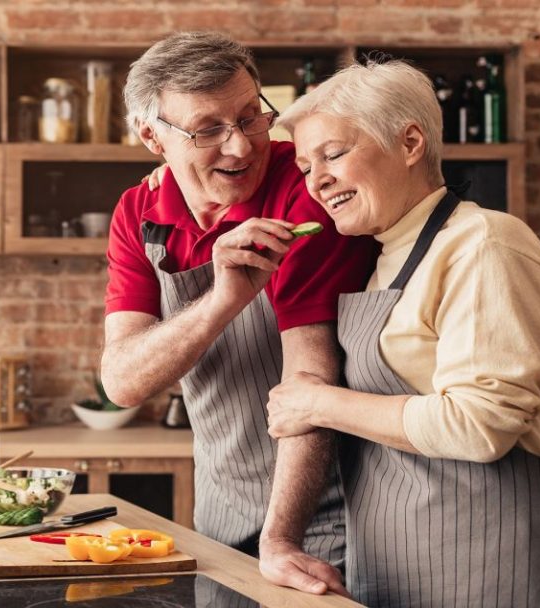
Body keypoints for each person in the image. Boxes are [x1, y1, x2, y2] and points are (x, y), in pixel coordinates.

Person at [266, 59, 540, 606]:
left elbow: (479, 424)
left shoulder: (484, 245)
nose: (318, 181)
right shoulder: (384, 256)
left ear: (409, 143)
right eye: (307, 166)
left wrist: (317, 403)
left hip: (509, 567)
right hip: (414, 567)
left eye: (333, 154)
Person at [100, 31, 377, 596]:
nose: (242, 147)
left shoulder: (304, 195)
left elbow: (310, 377)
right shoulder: (139, 211)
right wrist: (226, 297)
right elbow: (123, 381)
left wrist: (280, 540)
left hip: (325, 525)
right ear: (152, 136)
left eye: (252, 116)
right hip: (218, 519)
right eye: (207, 130)